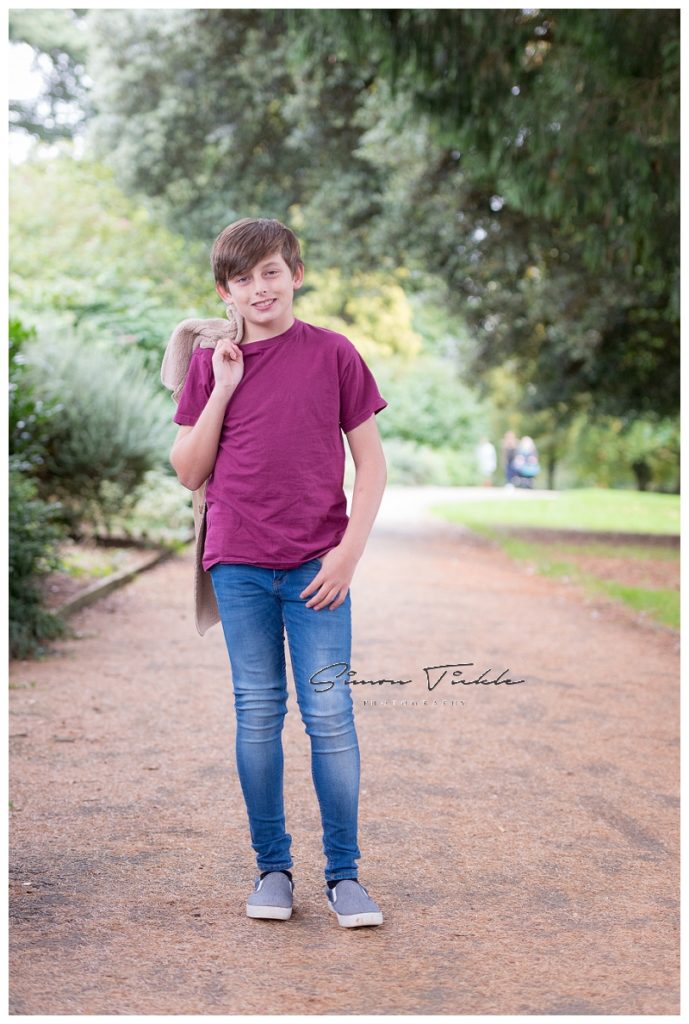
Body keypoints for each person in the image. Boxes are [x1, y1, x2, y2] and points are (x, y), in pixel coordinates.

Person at [169, 218, 388, 928]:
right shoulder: (212, 361)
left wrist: (347, 553)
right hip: (237, 562)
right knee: (258, 714)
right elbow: (189, 471)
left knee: (330, 717)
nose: (258, 288)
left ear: (295, 273)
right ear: (225, 290)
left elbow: (372, 464)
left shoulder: (333, 354)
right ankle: (271, 869)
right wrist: (225, 387)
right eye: (242, 278)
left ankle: (344, 877)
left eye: (270, 272)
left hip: (316, 567)